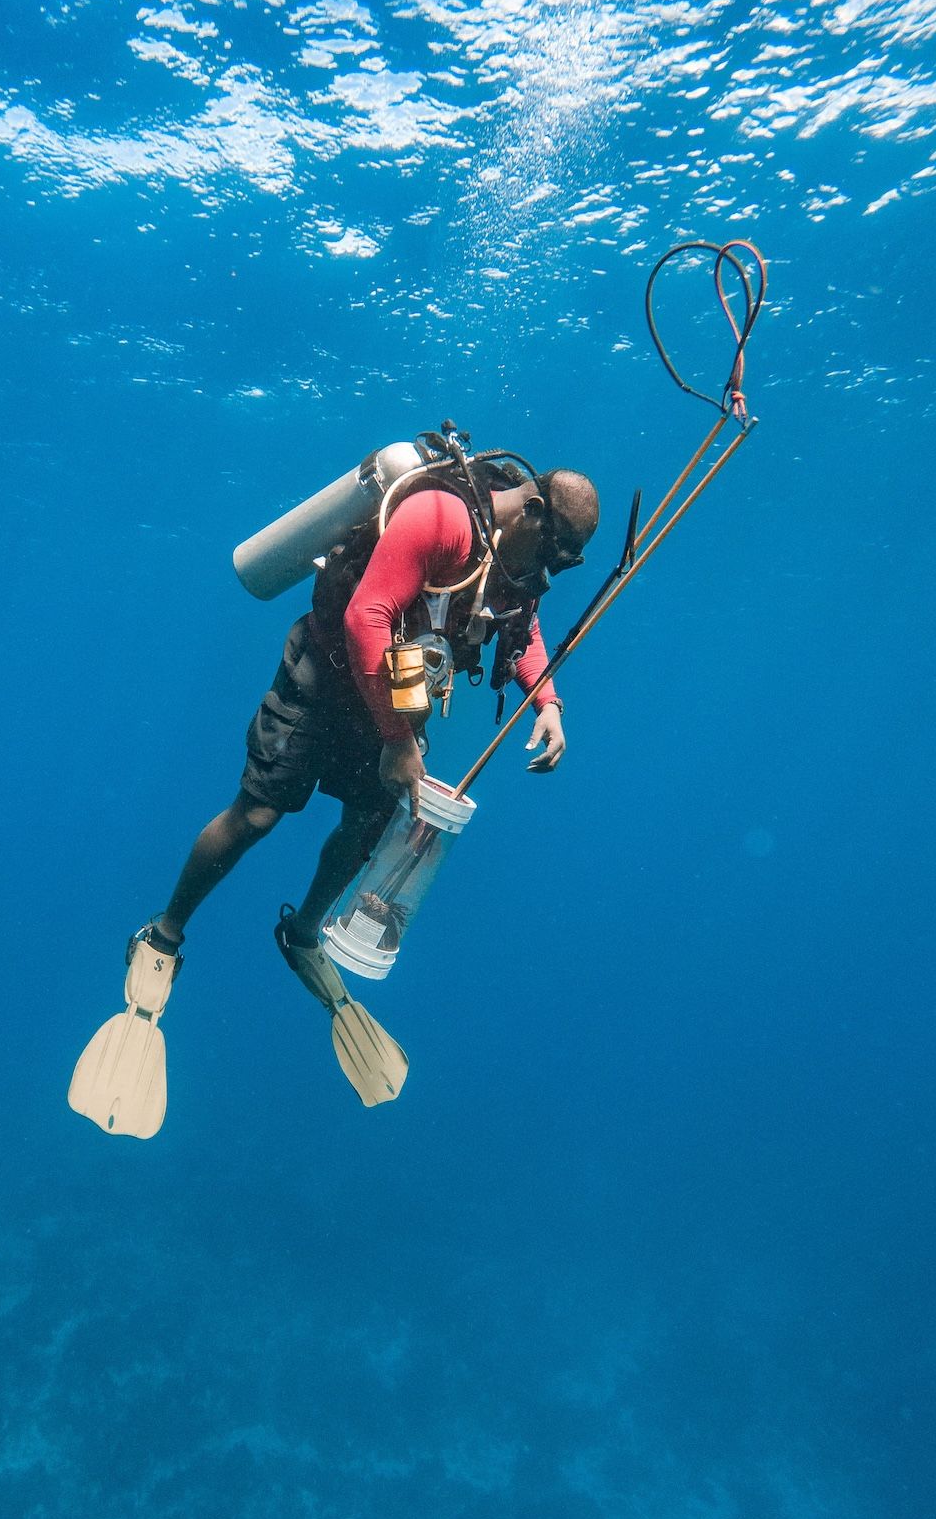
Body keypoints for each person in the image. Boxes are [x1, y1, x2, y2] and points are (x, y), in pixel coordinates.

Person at [67, 445, 600, 1137]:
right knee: (257, 812)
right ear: (531, 509)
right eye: (554, 553)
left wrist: (547, 702)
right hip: (323, 676)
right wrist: (399, 743)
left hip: (391, 700)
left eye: (564, 564)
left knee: (369, 827)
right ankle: (162, 937)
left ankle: (303, 933)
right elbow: (364, 619)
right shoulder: (440, 517)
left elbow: (520, 626)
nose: (549, 574)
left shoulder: (516, 565)